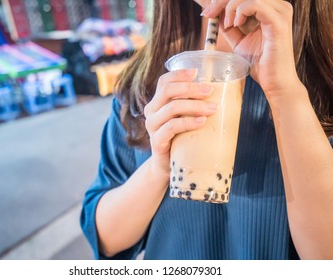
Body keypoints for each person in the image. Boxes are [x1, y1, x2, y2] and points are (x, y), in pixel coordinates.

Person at [81, 0, 333, 260]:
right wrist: (159, 168)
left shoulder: (324, 74)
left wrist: (285, 93)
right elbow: (106, 239)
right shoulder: (144, 80)